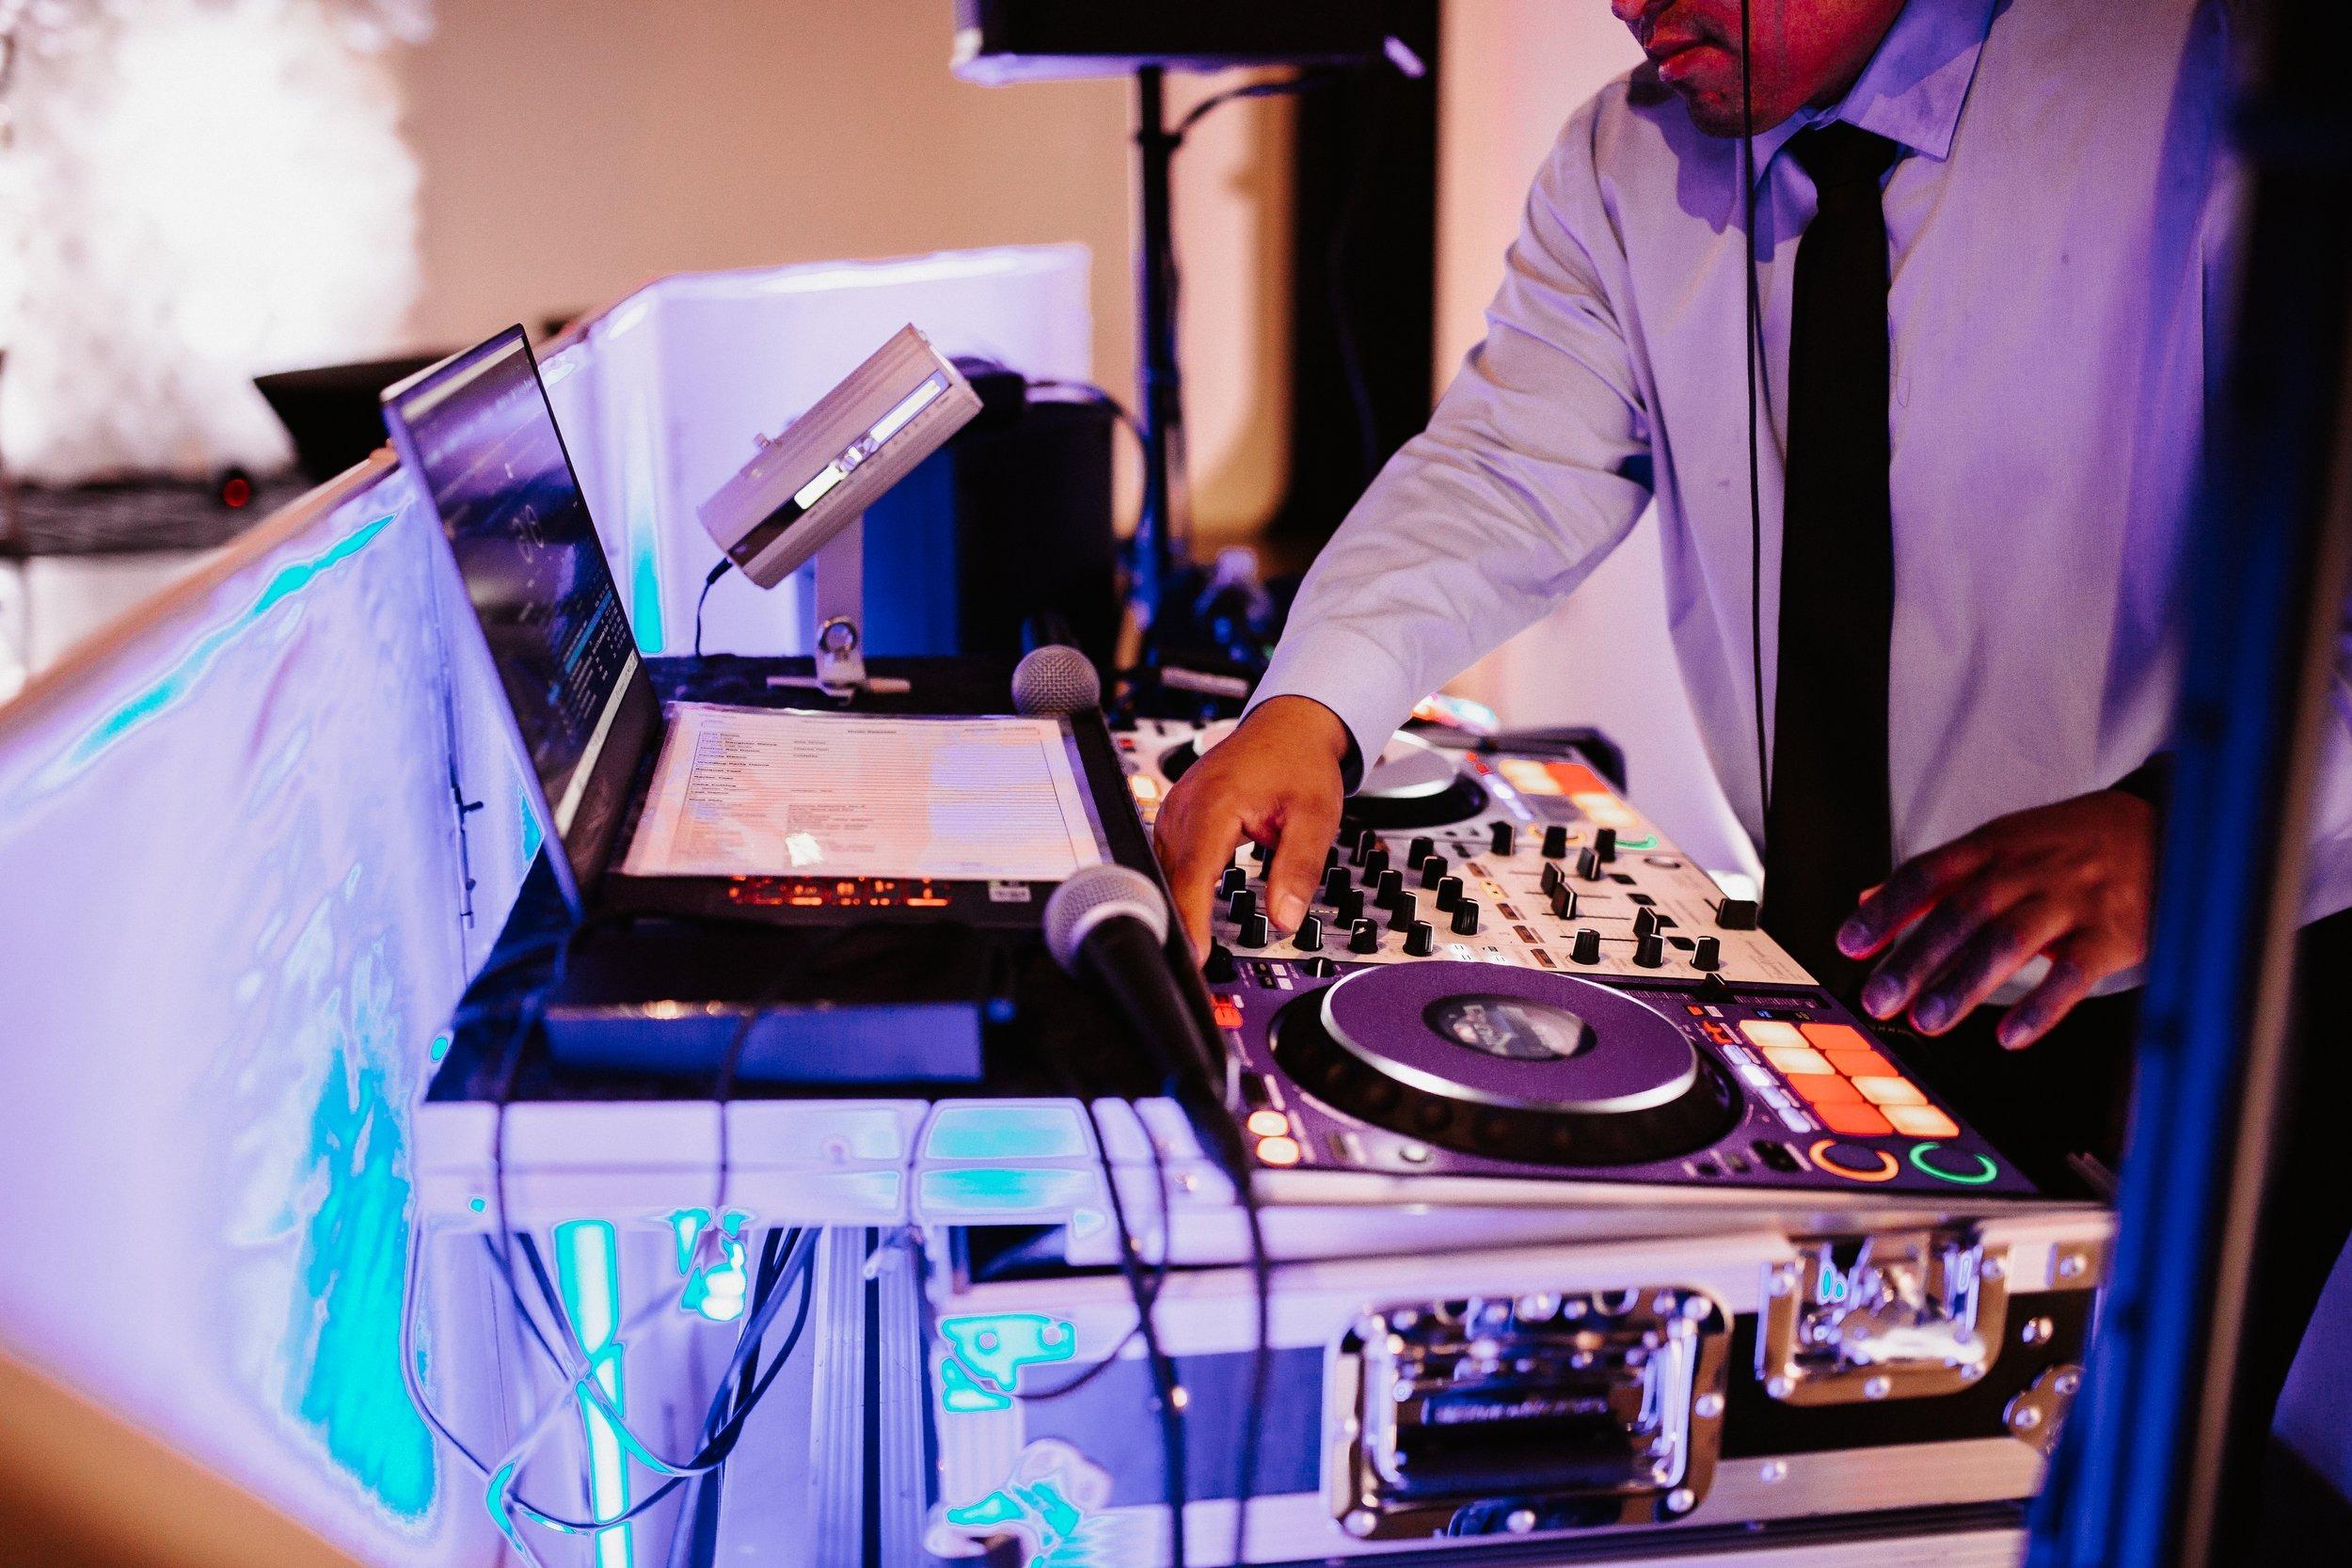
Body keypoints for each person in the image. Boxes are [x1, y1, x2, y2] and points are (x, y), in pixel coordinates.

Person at [1152, 0, 2352, 1540]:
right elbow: (1506, 467)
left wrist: (2183, 839)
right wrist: (1310, 706)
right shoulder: (1626, 157)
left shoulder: (2219, 82)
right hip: (1852, 965)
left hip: (2233, 983)